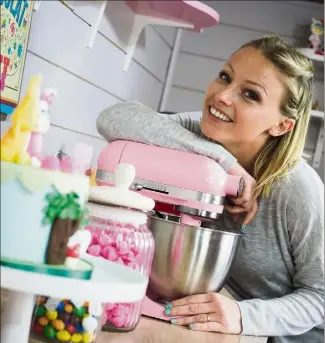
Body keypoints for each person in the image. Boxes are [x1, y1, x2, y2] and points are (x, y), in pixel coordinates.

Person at [96, 36, 324, 343]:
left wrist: (242, 316)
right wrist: (223, 161)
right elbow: (113, 118)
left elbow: (319, 297)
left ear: (282, 126)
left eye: (250, 94)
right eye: (225, 76)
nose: (223, 96)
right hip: (206, 322)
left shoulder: (298, 190)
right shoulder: (204, 134)